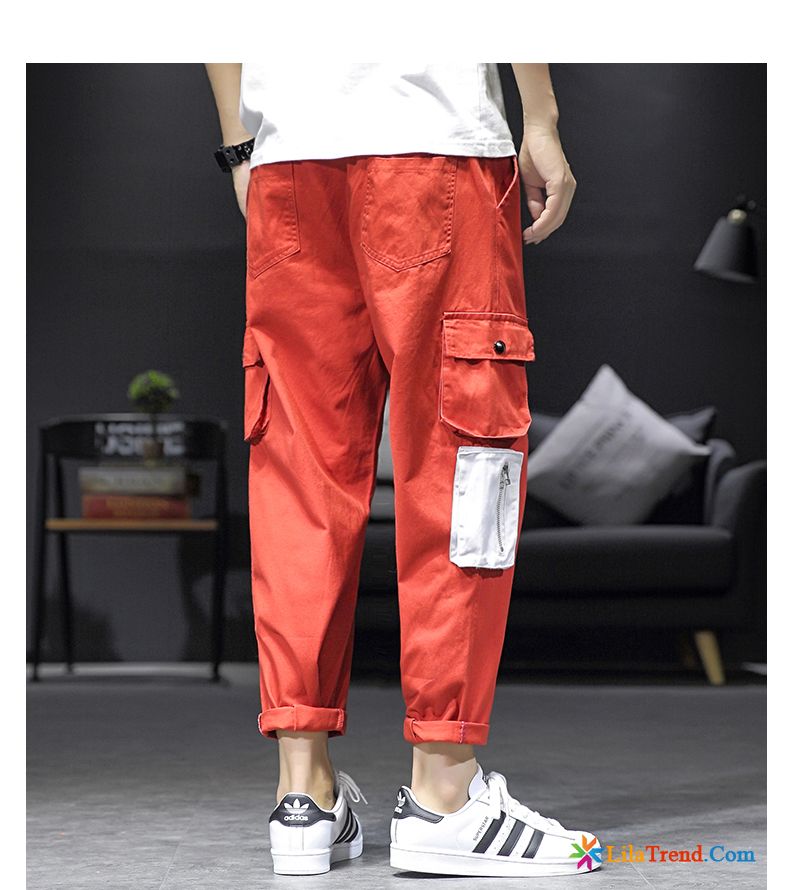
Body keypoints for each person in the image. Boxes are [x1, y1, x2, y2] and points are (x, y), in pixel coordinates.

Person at [205, 62, 600, 878]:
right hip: (435, 140)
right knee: (464, 464)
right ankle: (443, 797)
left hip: (290, 160)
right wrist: (542, 118)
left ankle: (303, 796)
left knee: (297, 475)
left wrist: (242, 149)